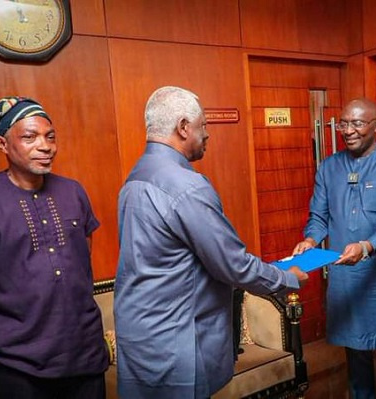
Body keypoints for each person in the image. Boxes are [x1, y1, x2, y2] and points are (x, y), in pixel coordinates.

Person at [114, 86, 308, 399]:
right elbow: (232, 264)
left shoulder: (137, 176)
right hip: (175, 340)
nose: (208, 135)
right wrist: (286, 277)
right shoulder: (186, 185)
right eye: (204, 126)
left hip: (140, 336)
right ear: (182, 127)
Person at [0, 97, 108, 398]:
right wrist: (5, 312)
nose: (45, 146)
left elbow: (82, 260)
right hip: (17, 361)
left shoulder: (73, 191)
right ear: (3, 144)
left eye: (50, 136)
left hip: (84, 350)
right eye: (29, 137)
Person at [293, 98, 376, 398]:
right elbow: (319, 216)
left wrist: (366, 246)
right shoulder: (329, 166)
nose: (348, 130)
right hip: (347, 278)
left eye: (358, 123)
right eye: (344, 123)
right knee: (356, 350)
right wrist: (311, 240)